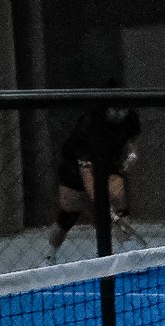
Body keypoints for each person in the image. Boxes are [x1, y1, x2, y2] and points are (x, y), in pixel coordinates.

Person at [44, 101, 142, 264]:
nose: (119, 113)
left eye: (122, 109)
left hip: (107, 161)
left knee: (119, 203)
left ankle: (129, 252)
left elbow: (130, 140)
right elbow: (86, 173)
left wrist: (130, 152)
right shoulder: (88, 125)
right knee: (68, 215)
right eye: (114, 109)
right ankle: (49, 255)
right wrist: (101, 203)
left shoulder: (130, 117)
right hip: (74, 168)